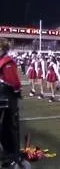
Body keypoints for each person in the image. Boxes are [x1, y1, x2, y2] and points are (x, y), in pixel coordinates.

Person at [0, 38, 22, 166]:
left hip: (5, 97)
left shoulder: (6, 61)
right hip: (6, 97)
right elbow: (13, 82)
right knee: (9, 127)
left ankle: (10, 155)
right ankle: (11, 155)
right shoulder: (6, 61)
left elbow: (12, 81)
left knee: (7, 127)